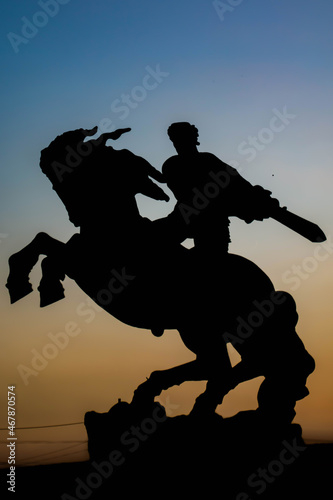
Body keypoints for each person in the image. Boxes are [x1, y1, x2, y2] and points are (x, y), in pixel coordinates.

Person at [162, 122, 279, 257]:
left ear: (193, 137)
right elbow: (185, 195)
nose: (179, 142)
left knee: (215, 254)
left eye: (184, 137)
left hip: (214, 222)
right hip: (187, 217)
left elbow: (236, 180)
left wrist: (257, 196)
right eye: (177, 138)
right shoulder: (172, 165)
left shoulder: (207, 159)